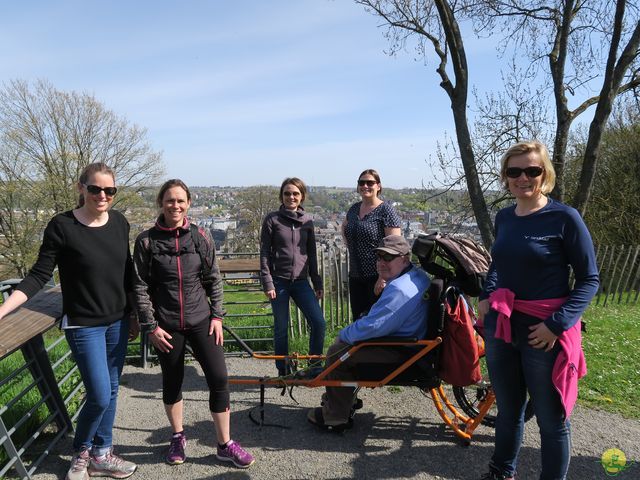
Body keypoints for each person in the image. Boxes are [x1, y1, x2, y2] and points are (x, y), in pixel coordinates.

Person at [0, 163, 138, 480]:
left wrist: (133, 315)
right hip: (83, 325)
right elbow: (38, 276)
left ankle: (102, 454)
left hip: (117, 321)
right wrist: (3, 310)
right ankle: (82, 452)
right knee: (100, 394)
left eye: (109, 190)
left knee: (112, 389)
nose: (102, 195)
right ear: (81, 188)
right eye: (95, 189)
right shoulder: (62, 226)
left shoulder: (120, 223)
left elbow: (127, 273)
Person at [477, 141, 599, 480]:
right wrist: (488, 295)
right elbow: (497, 266)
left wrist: (556, 325)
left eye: (532, 170)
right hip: (503, 326)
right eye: (514, 171)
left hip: (543, 332)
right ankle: (501, 472)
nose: (523, 178)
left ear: (544, 174)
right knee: (508, 411)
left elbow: (590, 279)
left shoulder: (564, 218)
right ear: (505, 177)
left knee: (551, 420)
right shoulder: (504, 217)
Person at [132, 179, 254, 469]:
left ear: (188, 203)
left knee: (219, 379)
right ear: (161, 203)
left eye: (180, 201)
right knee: (172, 382)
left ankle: (224, 444)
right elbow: (139, 287)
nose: (175, 205)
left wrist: (217, 316)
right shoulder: (147, 241)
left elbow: (213, 278)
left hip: (202, 320)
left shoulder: (200, 236)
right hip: (167, 325)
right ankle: (177, 436)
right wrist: (150, 326)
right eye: (169, 200)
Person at [307, 235, 430, 429]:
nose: (381, 262)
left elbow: (373, 326)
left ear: (405, 259)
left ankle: (335, 416)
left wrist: (343, 334)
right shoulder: (417, 276)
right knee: (345, 348)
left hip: (401, 351)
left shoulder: (400, 289)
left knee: (337, 353)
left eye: (388, 258)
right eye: (379, 256)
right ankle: (344, 400)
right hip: (412, 345)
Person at [259, 177, 326, 377]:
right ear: (282, 196)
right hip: (278, 281)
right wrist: (267, 281)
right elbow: (264, 253)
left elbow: (312, 254)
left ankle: (314, 367)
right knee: (281, 328)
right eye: (287, 193)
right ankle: (284, 370)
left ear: (302, 196)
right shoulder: (272, 220)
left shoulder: (308, 222)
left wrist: (317, 282)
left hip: (301, 282)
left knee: (319, 322)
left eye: (295, 193)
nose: (291, 197)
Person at [343, 169, 402, 320]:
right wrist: (350, 245)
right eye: (362, 183)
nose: (365, 186)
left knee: (377, 321)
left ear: (378, 186)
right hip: (356, 276)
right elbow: (345, 228)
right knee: (359, 320)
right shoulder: (354, 208)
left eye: (370, 182)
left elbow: (394, 246)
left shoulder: (386, 210)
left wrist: (383, 277)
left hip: (377, 277)